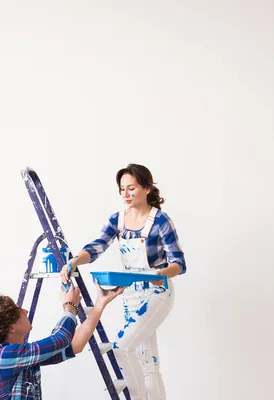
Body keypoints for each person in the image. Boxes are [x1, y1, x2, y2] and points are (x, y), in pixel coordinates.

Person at [61, 163, 187, 400]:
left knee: (121, 347)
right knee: (147, 364)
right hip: (130, 295)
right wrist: (75, 260)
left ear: (147, 188)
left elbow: (179, 263)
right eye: (122, 189)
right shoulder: (117, 220)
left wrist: (160, 274)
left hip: (157, 293)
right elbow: (97, 246)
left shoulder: (160, 221)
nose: (125, 194)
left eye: (131, 188)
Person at [0, 283, 124, 399]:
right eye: (18, 311)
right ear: (11, 327)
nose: (26, 311)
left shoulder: (21, 357)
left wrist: (100, 304)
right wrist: (70, 306)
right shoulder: (2, 356)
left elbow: (73, 346)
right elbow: (60, 339)